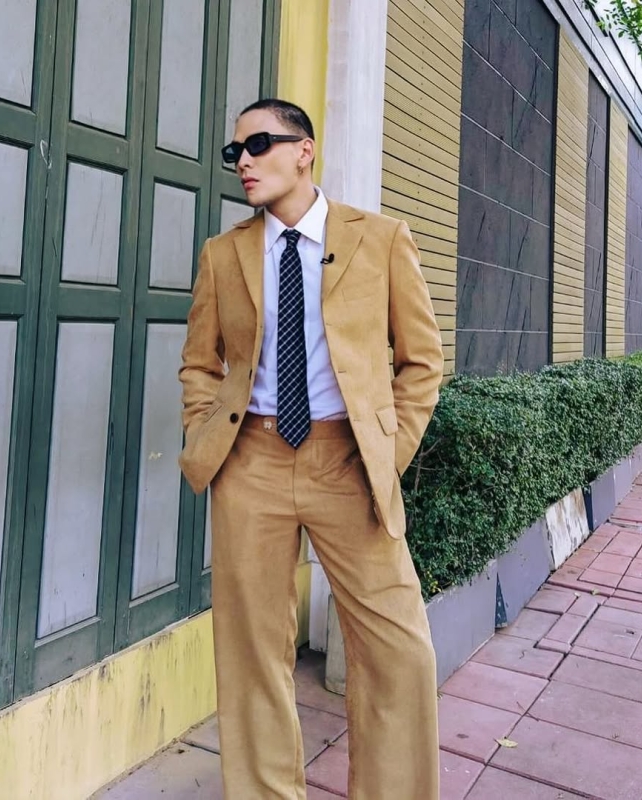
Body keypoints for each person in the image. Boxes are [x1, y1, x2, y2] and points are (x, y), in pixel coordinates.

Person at [178, 98, 444, 800]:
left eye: (258, 144)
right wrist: (204, 432)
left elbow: (422, 361)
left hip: (347, 463)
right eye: (234, 151)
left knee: (399, 652)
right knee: (253, 654)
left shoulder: (381, 239)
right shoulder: (224, 254)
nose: (242, 162)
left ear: (305, 151)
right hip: (250, 462)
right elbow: (200, 362)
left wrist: (387, 453)